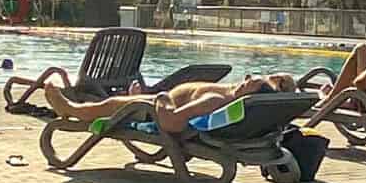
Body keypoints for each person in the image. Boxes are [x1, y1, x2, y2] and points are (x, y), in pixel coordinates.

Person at [38, 69, 295, 134]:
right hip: (156, 102)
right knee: (120, 102)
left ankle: (69, 109)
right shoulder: (229, 98)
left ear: (245, 95)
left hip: (152, 111)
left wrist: (159, 98)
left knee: (109, 105)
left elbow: (171, 122)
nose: (245, 78)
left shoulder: (214, 100)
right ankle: (131, 101)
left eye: (247, 82)